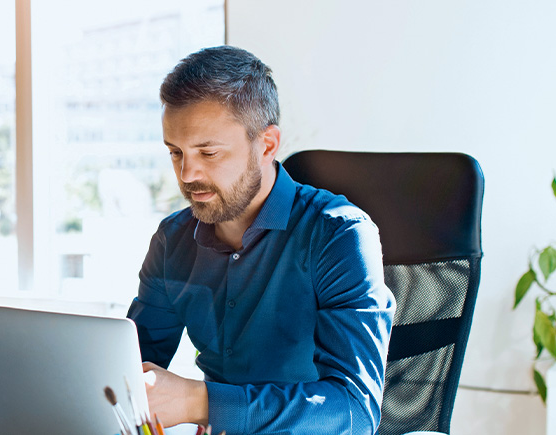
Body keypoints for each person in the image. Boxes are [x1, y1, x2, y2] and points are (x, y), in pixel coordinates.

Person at [127, 46, 395, 434]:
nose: (187, 174)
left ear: (267, 145)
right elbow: (131, 368)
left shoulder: (339, 235)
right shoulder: (173, 240)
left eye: (208, 152)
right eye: (175, 153)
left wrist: (198, 401)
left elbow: (354, 411)